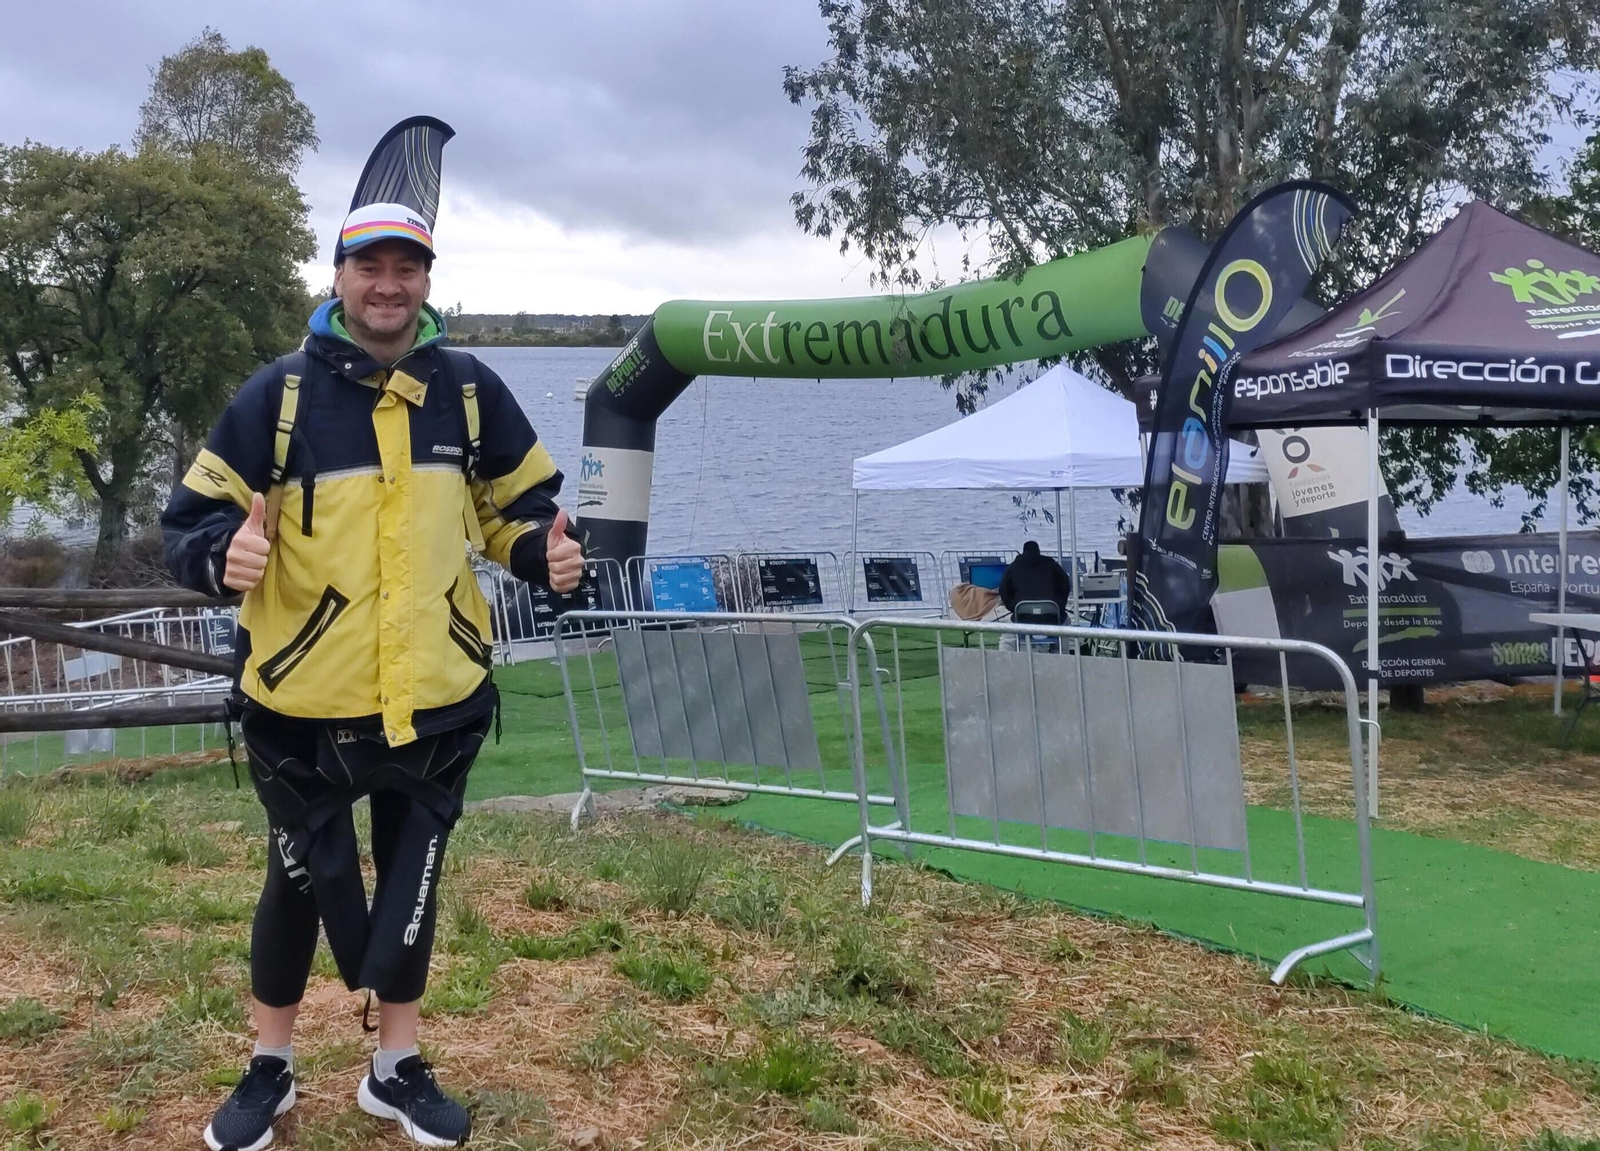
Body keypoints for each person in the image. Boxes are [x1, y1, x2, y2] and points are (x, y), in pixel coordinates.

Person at [163, 181, 583, 1148]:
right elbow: (189, 519)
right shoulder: (279, 395)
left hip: (438, 689)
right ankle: (269, 1065)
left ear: (427, 280)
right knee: (297, 880)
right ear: (340, 278)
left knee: (411, 874)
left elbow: (515, 512)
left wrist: (545, 556)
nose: (388, 286)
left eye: (407, 267)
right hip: (301, 700)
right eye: (370, 267)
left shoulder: (470, 390)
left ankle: (394, 1068)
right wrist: (222, 555)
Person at [998, 540, 1073, 619]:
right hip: (1052, 616)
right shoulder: (1051, 564)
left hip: (1022, 617)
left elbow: (1003, 590)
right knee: (1067, 620)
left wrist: (1012, 606)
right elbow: (1065, 583)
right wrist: (1060, 604)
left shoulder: (1013, 567)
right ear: (1038, 551)